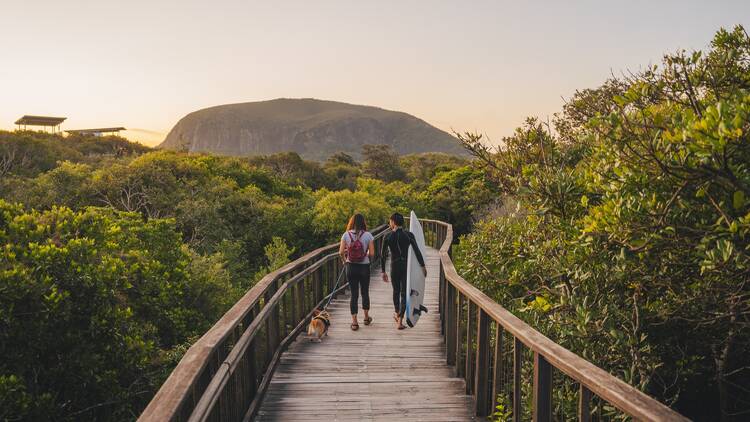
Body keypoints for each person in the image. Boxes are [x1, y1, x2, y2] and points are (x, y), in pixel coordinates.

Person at [380, 213, 426, 330]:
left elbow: (383, 255)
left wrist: (383, 271)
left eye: (390, 221)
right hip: (405, 266)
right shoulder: (409, 235)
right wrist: (422, 266)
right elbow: (417, 251)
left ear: (393, 222)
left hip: (394, 266)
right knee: (404, 293)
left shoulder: (387, 236)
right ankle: (400, 320)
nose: (390, 224)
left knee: (396, 291)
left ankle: (397, 313)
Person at [339, 213, 375, 331]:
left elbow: (340, 252)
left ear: (351, 222)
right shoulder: (368, 235)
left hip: (351, 267)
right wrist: (365, 255)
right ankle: (366, 317)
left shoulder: (346, 235)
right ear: (363, 222)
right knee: (365, 292)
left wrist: (345, 261)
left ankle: (354, 322)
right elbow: (372, 253)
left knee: (354, 294)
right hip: (364, 267)